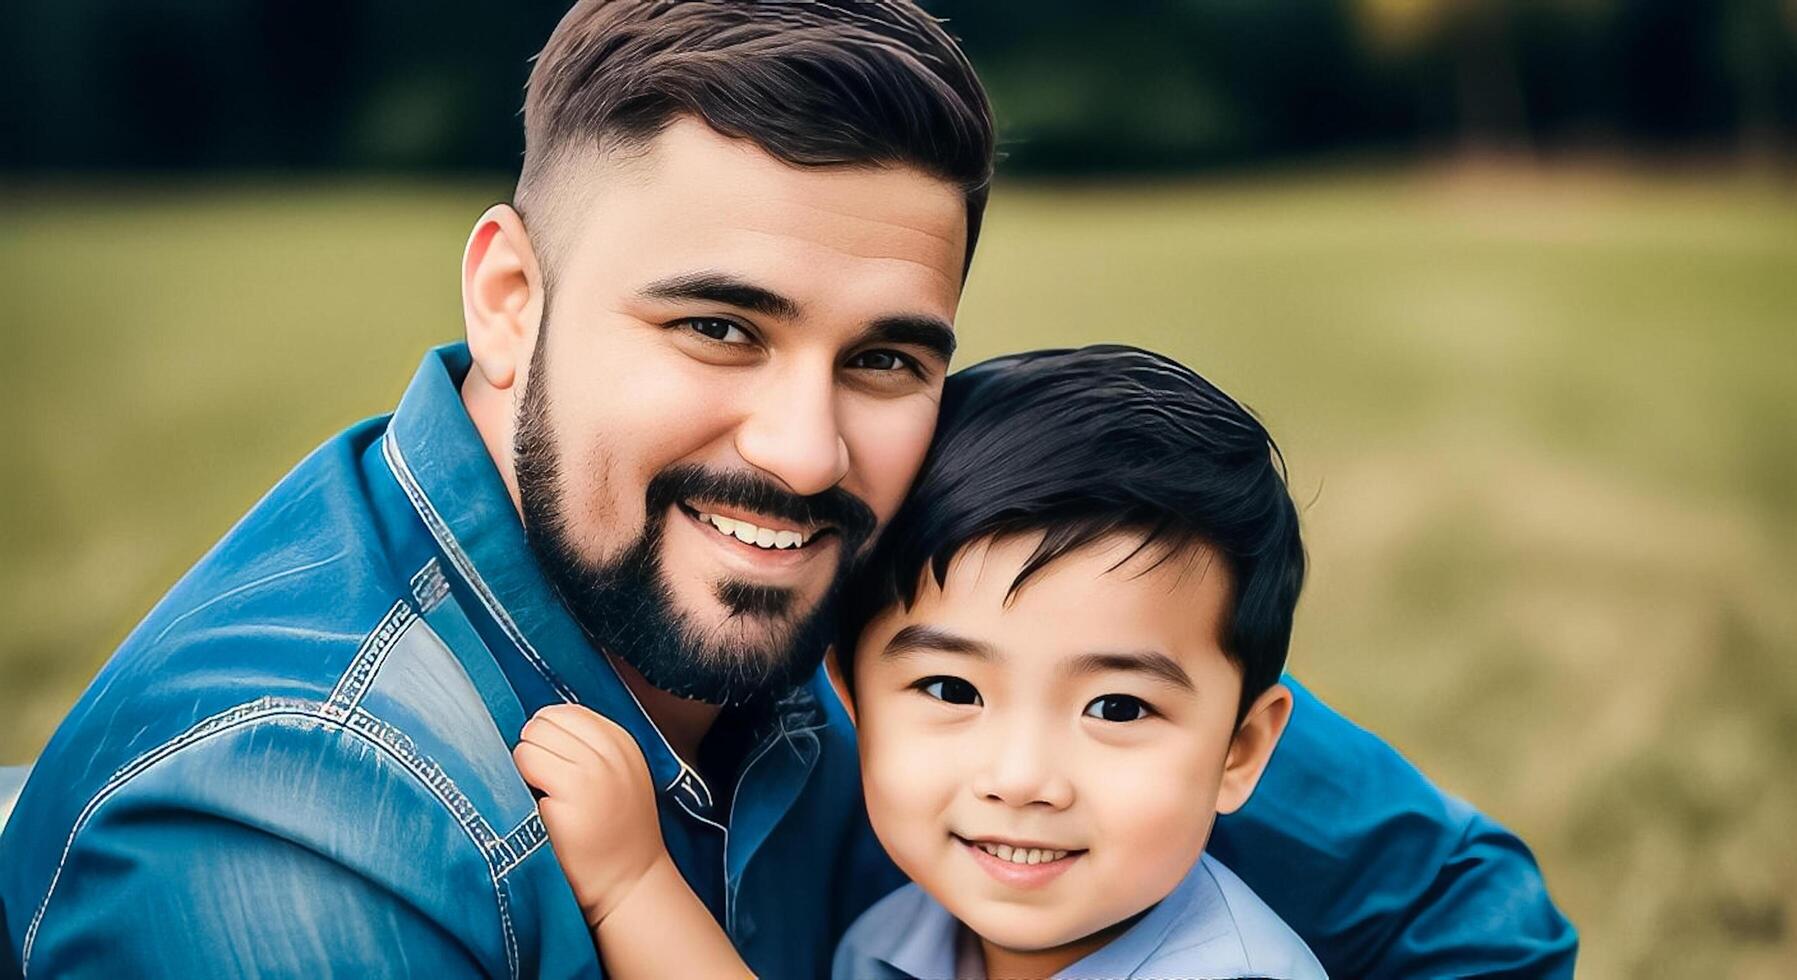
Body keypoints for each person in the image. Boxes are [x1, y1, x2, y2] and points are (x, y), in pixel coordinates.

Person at [0, 2, 1575, 977]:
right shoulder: (294, 826)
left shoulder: (947, 600)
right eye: (717, 326)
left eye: (887, 357)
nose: (807, 454)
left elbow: (1456, 923)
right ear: (508, 297)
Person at [517, 345, 1331, 979]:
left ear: (1241, 749)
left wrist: (632, 889)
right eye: (951, 689)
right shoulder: (888, 946)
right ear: (853, 701)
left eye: (1115, 708)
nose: (1020, 779)